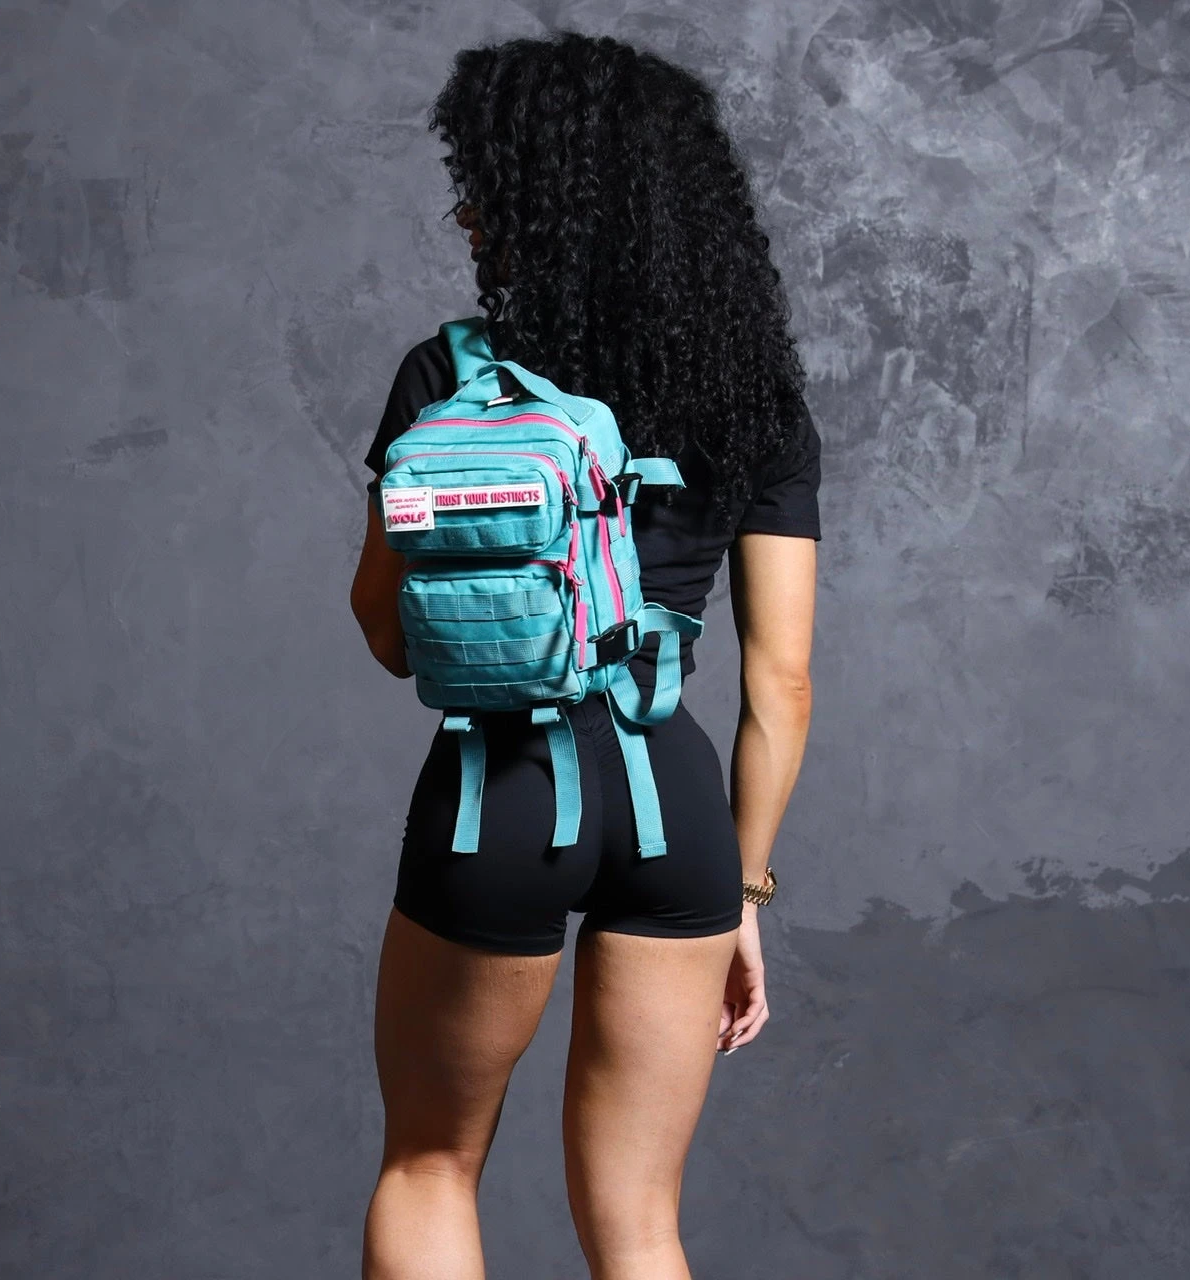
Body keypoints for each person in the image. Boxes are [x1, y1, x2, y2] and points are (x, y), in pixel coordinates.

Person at [350, 31, 820, 1280]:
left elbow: (387, 631)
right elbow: (779, 682)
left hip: (494, 793)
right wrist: (742, 892)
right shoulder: (756, 394)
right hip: (674, 807)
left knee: (429, 1163)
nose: (465, 209)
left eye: (482, 181)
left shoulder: (449, 377)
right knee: (640, 1223)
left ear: (543, 197)